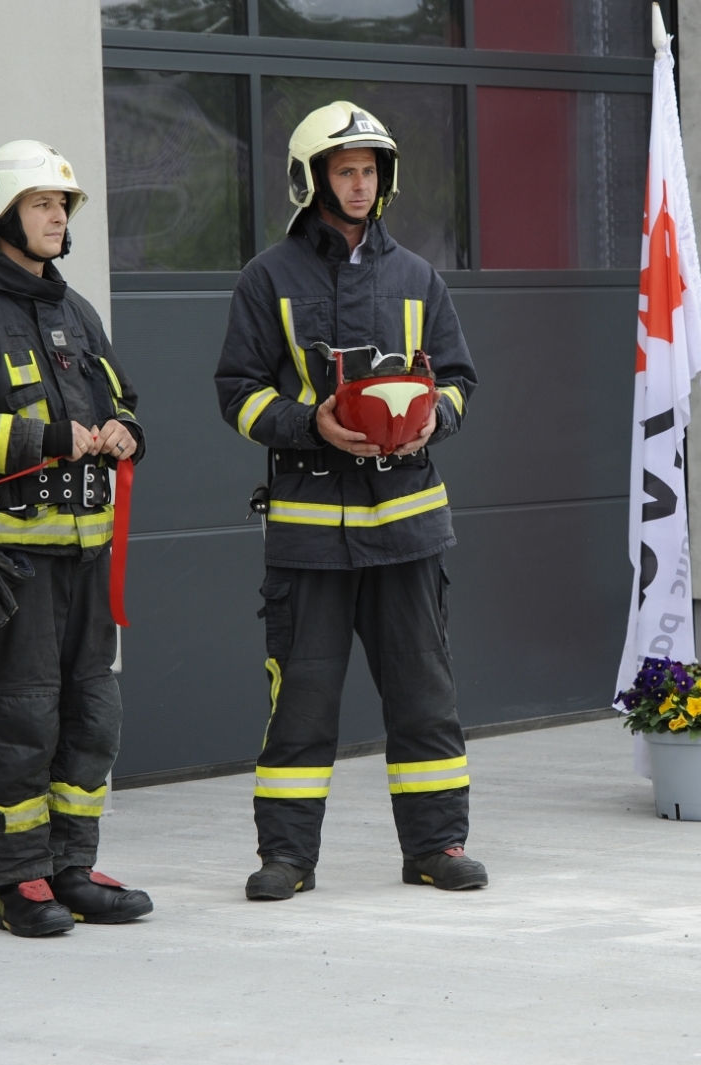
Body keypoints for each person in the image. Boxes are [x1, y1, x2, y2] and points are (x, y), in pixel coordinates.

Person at [214, 101, 484, 900]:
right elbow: (237, 394)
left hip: (408, 528)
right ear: (313, 180)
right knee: (300, 702)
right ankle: (288, 858)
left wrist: (433, 419)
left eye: (370, 170)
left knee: (424, 694)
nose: (360, 185)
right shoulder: (268, 279)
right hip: (307, 535)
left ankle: (438, 845)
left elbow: (462, 382)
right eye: (345, 170)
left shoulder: (417, 278)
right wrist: (312, 425)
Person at [0, 141, 153, 937]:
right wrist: (40, 439)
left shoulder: (75, 312)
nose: (57, 217)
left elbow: (125, 397)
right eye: (42, 204)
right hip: (10, 561)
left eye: (64, 206)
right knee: (21, 717)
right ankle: (19, 880)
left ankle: (70, 866)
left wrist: (124, 431)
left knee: (92, 714)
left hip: (87, 559)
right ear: (0, 214)